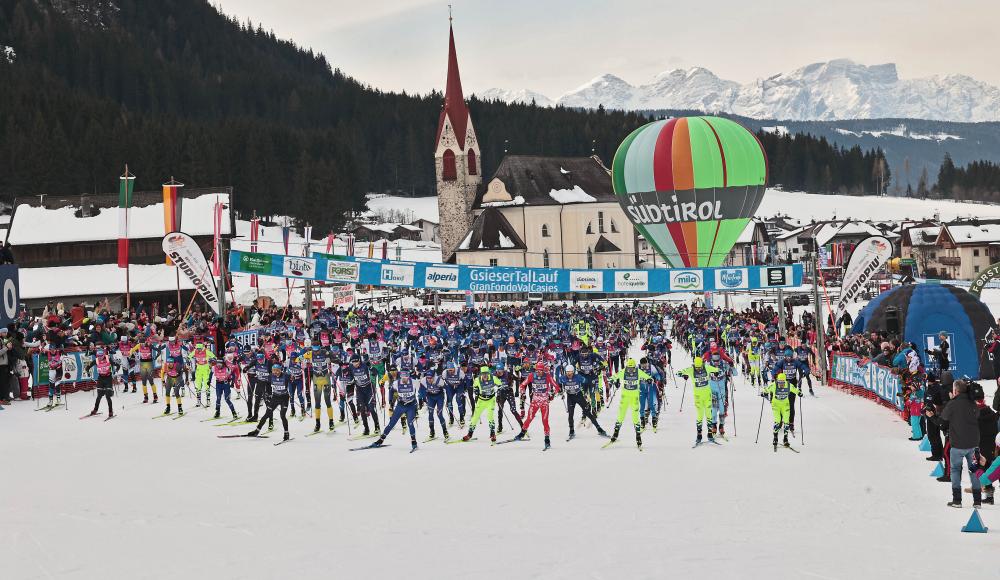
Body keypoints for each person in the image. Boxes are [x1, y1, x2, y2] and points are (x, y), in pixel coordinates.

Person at [933, 379, 982, 508]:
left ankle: (957, 500)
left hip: (957, 445)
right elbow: (977, 414)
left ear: (955, 391)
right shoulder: (972, 402)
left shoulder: (952, 404)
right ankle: (977, 501)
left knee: (955, 470)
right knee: (974, 471)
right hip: (973, 444)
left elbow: (943, 418)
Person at [512, 361, 559, 449]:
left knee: (545, 421)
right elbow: (522, 385)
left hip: (544, 402)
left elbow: (557, 387)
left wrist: (552, 395)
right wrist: (523, 393)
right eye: (537, 370)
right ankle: (522, 433)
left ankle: (547, 439)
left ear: (543, 370)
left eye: (541, 370)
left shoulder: (547, 376)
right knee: (529, 418)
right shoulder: (531, 375)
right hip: (535, 402)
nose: (539, 372)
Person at [370, 368, 419, 451]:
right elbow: (391, 391)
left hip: (410, 406)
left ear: (408, 377)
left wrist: (422, 399)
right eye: (402, 377)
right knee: (391, 423)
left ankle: (414, 442)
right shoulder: (396, 383)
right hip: (401, 405)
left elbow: (422, 389)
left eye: (406, 378)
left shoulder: (414, 382)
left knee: (410, 423)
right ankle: (380, 440)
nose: (404, 379)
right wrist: (390, 400)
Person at [608, 358, 651, 449]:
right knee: (621, 415)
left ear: (635, 367)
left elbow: (648, 377)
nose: (630, 370)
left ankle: (638, 437)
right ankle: (615, 434)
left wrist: (649, 380)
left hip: (634, 398)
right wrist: (611, 380)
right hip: (625, 398)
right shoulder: (624, 371)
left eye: (632, 368)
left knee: (635, 417)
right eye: (629, 368)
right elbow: (614, 376)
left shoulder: (638, 372)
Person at [678, 357, 722, 445]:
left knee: (709, 414)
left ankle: (710, 434)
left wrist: (716, 372)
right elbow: (678, 373)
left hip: (707, 396)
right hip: (698, 397)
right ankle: (699, 434)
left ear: (702, 364)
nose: (698, 369)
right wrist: (684, 375)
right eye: (697, 367)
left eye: (700, 367)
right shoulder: (691, 369)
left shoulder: (707, 367)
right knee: (700, 415)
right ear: (694, 365)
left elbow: (718, 370)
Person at [558, 364, 607, 439]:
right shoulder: (563, 378)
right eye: (567, 372)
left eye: (570, 372)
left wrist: (586, 389)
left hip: (579, 396)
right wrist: (560, 390)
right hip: (570, 397)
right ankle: (571, 430)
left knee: (588, 413)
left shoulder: (578, 377)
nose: (569, 374)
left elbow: (586, 381)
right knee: (570, 414)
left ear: (573, 372)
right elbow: (559, 382)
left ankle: (599, 428)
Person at [248, 364, 291, 441]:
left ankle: (286, 433)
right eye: (274, 370)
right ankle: (257, 431)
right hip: (275, 397)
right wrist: (267, 393)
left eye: (277, 370)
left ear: (280, 370)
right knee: (266, 414)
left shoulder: (286, 376)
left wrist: (293, 379)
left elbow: (293, 380)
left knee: (282, 415)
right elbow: (266, 384)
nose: (275, 372)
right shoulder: (270, 376)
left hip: (284, 398)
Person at [462, 366, 500, 444]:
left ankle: (492, 434)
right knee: (475, 417)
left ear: (488, 373)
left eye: (486, 373)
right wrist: (476, 391)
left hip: (490, 400)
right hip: (481, 401)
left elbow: (500, 384)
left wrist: (497, 390)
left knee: (490, 416)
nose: (485, 375)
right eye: (483, 374)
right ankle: (469, 434)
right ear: (480, 374)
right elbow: (475, 387)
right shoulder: (477, 380)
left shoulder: (493, 378)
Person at [764, 372, 800, 450]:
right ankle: (775, 437)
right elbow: (766, 389)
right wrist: (764, 393)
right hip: (776, 405)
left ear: (785, 381)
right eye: (780, 382)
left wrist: (799, 393)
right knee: (777, 420)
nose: (781, 384)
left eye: (783, 382)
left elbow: (795, 390)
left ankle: (785, 439)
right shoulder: (774, 385)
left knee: (786, 421)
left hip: (785, 405)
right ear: (777, 381)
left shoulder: (789, 385)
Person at [85, 347, 119, 418]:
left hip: (108, 378)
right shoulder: (96, 360)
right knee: (99, 396)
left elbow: (117, 365)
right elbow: (88, 367)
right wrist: (88, 372)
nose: (99, 357)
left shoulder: (108, 359)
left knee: (107, 396)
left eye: (101, 356)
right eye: (98, 356)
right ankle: (95, 410)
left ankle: (110, 411)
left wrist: (116, 370)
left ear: (103, 355)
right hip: (100, 378)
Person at [419, 368, 449, 441]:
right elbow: (421, 390)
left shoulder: (439, 380)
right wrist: (424, 398)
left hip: (439, 397)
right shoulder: (423, 380)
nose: (429, 379)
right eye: (428, 378)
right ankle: (432, 432)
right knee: (430, 414)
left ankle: (445, 432)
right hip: (430, 398)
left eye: (431, 378)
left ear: (434, 377)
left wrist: (448, 400)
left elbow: (447, 389)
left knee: (439, 414)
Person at [192, 342, 216, 407]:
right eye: (197, 349)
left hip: (206, 369)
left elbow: (214, 357)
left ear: (202, 348)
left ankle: (208, 400)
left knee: (206, 384)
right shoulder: (195, 351)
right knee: (198, 385)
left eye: (199, 349)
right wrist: (188, 359)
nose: (198, 350)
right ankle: (198, 400)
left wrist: (212, 360)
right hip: (199, 369)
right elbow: (189, 356)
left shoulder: (206, 351)